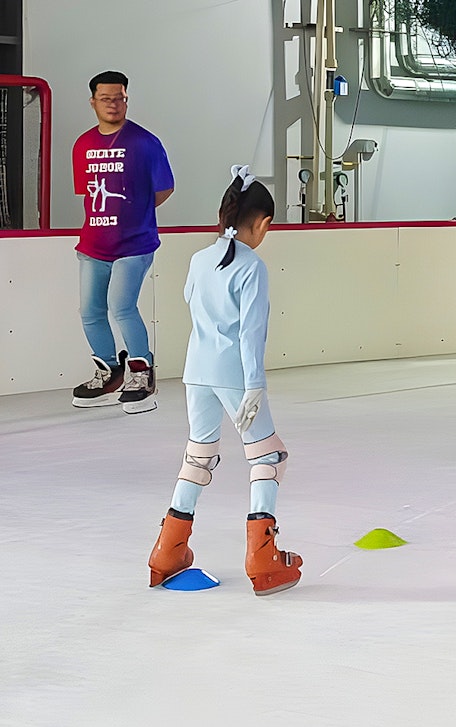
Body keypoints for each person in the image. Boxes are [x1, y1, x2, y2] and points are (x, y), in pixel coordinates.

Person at [147, 166, 303, 596]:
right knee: (268, 457)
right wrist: (254, 384)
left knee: (198, 457)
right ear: (263, 222)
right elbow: (252, 334)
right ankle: (262, 557)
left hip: (196, 370)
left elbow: (190, 302)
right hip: (235, 373)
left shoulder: (199, 260)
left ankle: (167, 550)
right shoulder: (252, 267)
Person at [70, 71, 174, 413]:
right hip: (93, 244)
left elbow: (164, 189)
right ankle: (108, 371)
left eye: (120, 98)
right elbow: (87, 193)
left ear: (126, 99)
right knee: (90, 311)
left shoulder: (145, 143)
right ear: (93, 102)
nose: (114, 104)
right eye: (106, 98)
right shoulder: (83, 144)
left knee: (122, 306)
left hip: (135, 243)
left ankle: (142, 373)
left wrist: (134, 216)